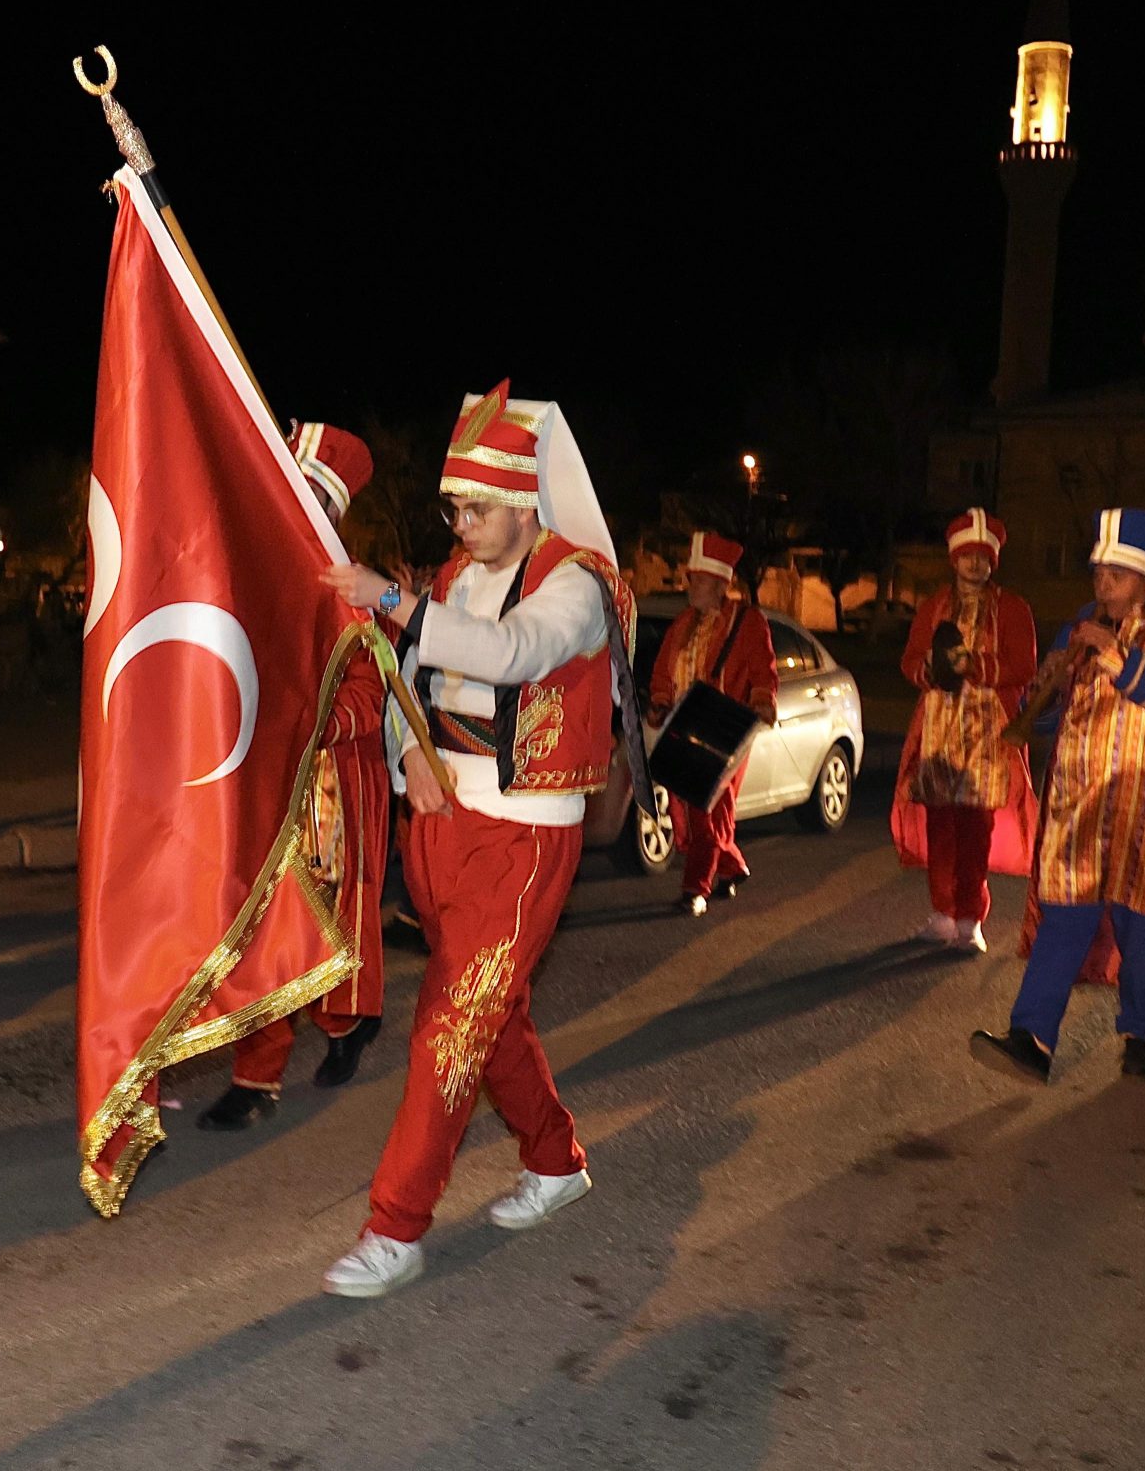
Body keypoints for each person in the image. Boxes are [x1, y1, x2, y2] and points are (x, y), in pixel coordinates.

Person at [313, 381, 633, 1298]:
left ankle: (395, 1225)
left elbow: (514, 653)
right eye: (453, 507)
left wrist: (392, 598)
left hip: (525, 838)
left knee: (449, 1026)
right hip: (442, 822)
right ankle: (556, 1158)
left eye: (476, 508)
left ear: (525, 500)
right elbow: (407, 680)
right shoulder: (455, 578)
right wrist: (409, 749)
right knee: (493, 1016)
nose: (460, 525)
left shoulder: (578, 583)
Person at [970, 508, 1145, 1083]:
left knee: (1143, 925)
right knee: (1063, 916)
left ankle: (1143, 1033)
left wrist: (1117, 655)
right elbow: (1049, 720)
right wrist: (1046, 690)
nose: (1102, 585)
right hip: (1077, 800)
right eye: (1098, 573)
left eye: (1116, 576)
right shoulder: (1079, 627)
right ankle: (1031, 1039)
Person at [201, 423, 394, 1129]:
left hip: (327, 787)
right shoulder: (250, 574)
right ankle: (259, 1074)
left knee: (314, 926)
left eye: (306, 497)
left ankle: (344, 1024)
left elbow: (370, 693)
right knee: (253, 925)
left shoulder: (352, 587)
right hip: (257, 782)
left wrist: (308, 723)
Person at [891, 509, 1038, 952]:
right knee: (941, 826)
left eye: (983, 557)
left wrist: (973, 666)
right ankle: (942, 913)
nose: (975, 564)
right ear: (953, 559)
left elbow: (1024, 666)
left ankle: (971, 917)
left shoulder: (1013, 608)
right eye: (967, 556)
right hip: (939, 728)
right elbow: (909, 659)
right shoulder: (933, 606)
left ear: (993, 561)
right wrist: (929, 670)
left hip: (987, 732)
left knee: (976, 829)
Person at [646, 530, 778, 916]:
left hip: (726, 729)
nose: (691, 587)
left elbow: (764, 670)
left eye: (700, 581)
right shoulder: (682, 623)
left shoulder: (748, 621)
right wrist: (660, 702)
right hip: (686, 726)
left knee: (710, 808)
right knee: (687, 808)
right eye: (691, 579)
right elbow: (663, 672)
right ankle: (732, 866)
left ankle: (695, 889)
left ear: (721, 585)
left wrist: (762, 702)